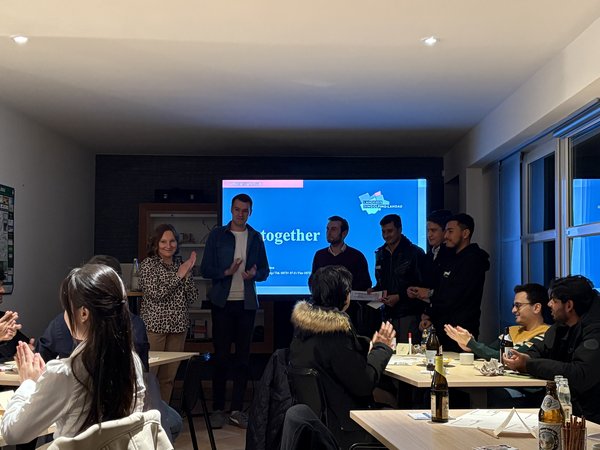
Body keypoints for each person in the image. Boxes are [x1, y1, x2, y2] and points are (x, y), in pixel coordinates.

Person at [0, 264, 146, 444]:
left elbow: (13, 434)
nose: (64, 315)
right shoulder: (133, 362)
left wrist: (29, 382)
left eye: (66, 309)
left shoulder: (66, 373)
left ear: (83, 313)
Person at [289, 265, 395, 450]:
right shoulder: (335, 334)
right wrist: (382, 348)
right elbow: (364, 384)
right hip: (346, 426)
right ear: (345, 296)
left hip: (320, 426)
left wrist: (366, 345)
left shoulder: (302, 332)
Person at [200, 193, 269, 429]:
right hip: (222, 304)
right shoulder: (217, 235)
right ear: (231, 210)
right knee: (220, 357)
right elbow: (205, 269)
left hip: (246, 304)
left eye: (245, 210)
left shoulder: (256, 237)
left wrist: (255, 274)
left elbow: (265, 271)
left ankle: (237, 410)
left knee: (243, 359)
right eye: (237, 209)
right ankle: (218, 408)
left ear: (250, 212)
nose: (240, 214)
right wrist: (226, 272)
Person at [504, 275, 600, 422]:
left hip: (591, 416)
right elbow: (539, 349)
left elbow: (580, 374)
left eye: (554, 301)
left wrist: (528, 364)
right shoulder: (561, 326)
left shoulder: (595, 330)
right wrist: (525, 358)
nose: (548, 304)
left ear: (569, 305)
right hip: (568, 408)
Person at [139, 224, 198, 402]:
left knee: (169, 378)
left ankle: (164, 415)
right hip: (154, 328)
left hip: (178, 328)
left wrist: (187, 276)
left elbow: (193, 297)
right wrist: (179, 275)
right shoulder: (148, 265)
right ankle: (147, 414)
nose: (168, 245)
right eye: (163, 241)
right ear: (156, 244)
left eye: (172, 241)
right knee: (149, 376)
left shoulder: (180, 265)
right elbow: (156, 294)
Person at [420, 213, 490, 351]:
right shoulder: (452, 258)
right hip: (443, 328)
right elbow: (442, 291)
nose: (446, 236)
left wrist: (430, 310)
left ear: (465, 233)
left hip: (461, 332)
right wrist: (430, 315)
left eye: (450, 231)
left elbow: (453, 297)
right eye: (445, 231)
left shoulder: (472, 261)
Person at [444, 283, 549, 359]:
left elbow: (509, 357)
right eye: (513, 306)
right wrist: (469, 347)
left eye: (518, 305)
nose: (513, 310)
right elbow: (489, 351)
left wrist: (471, 343)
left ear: (536, 308)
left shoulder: (546, 333)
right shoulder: (512, 330)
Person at [311, 215, 372, 335]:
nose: (329, 232)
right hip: (323, 315)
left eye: (333, 229)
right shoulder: (320, 255)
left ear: (344, 233)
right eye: (327, 229)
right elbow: (313, 280)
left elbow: (365, 284)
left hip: (350, 314)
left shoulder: (357, 256)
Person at [371, 213, 426, 342]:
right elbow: (381, 282)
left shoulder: (415, 253)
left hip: (408, 314)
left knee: (407, 351)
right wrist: (374, 291)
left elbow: (422, 286)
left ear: (400, 229)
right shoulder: (380, 253)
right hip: (386, 314)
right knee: (387, 350)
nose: (386, 235)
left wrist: (400, 296)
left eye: (390, 231)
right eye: (383, 231)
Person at [407, 209, 453, 304]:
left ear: (445, 231)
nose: (429, 235)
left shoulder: (452, 255)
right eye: (428, 230)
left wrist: (429, 293)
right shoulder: (429, 255)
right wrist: (414, 290)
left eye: (433, 230)